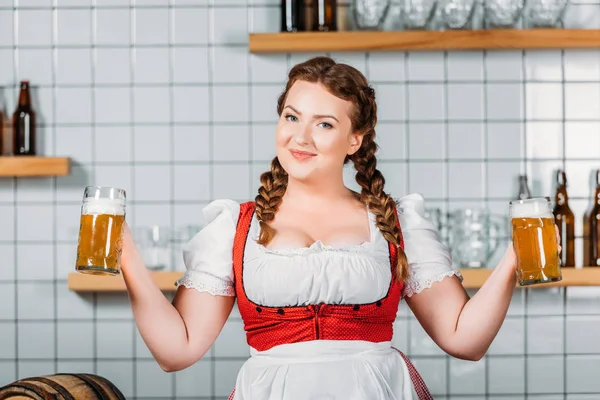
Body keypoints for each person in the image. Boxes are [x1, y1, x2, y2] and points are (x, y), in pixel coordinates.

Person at [119, 56, 527, 399]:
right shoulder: (235, 226)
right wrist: (127, 257)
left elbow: (464, 340)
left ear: (355, 140)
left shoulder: (396, 221)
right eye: (291, 117)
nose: (300, 137)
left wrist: (516, 256)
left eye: (324, 124)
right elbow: (177, 351)